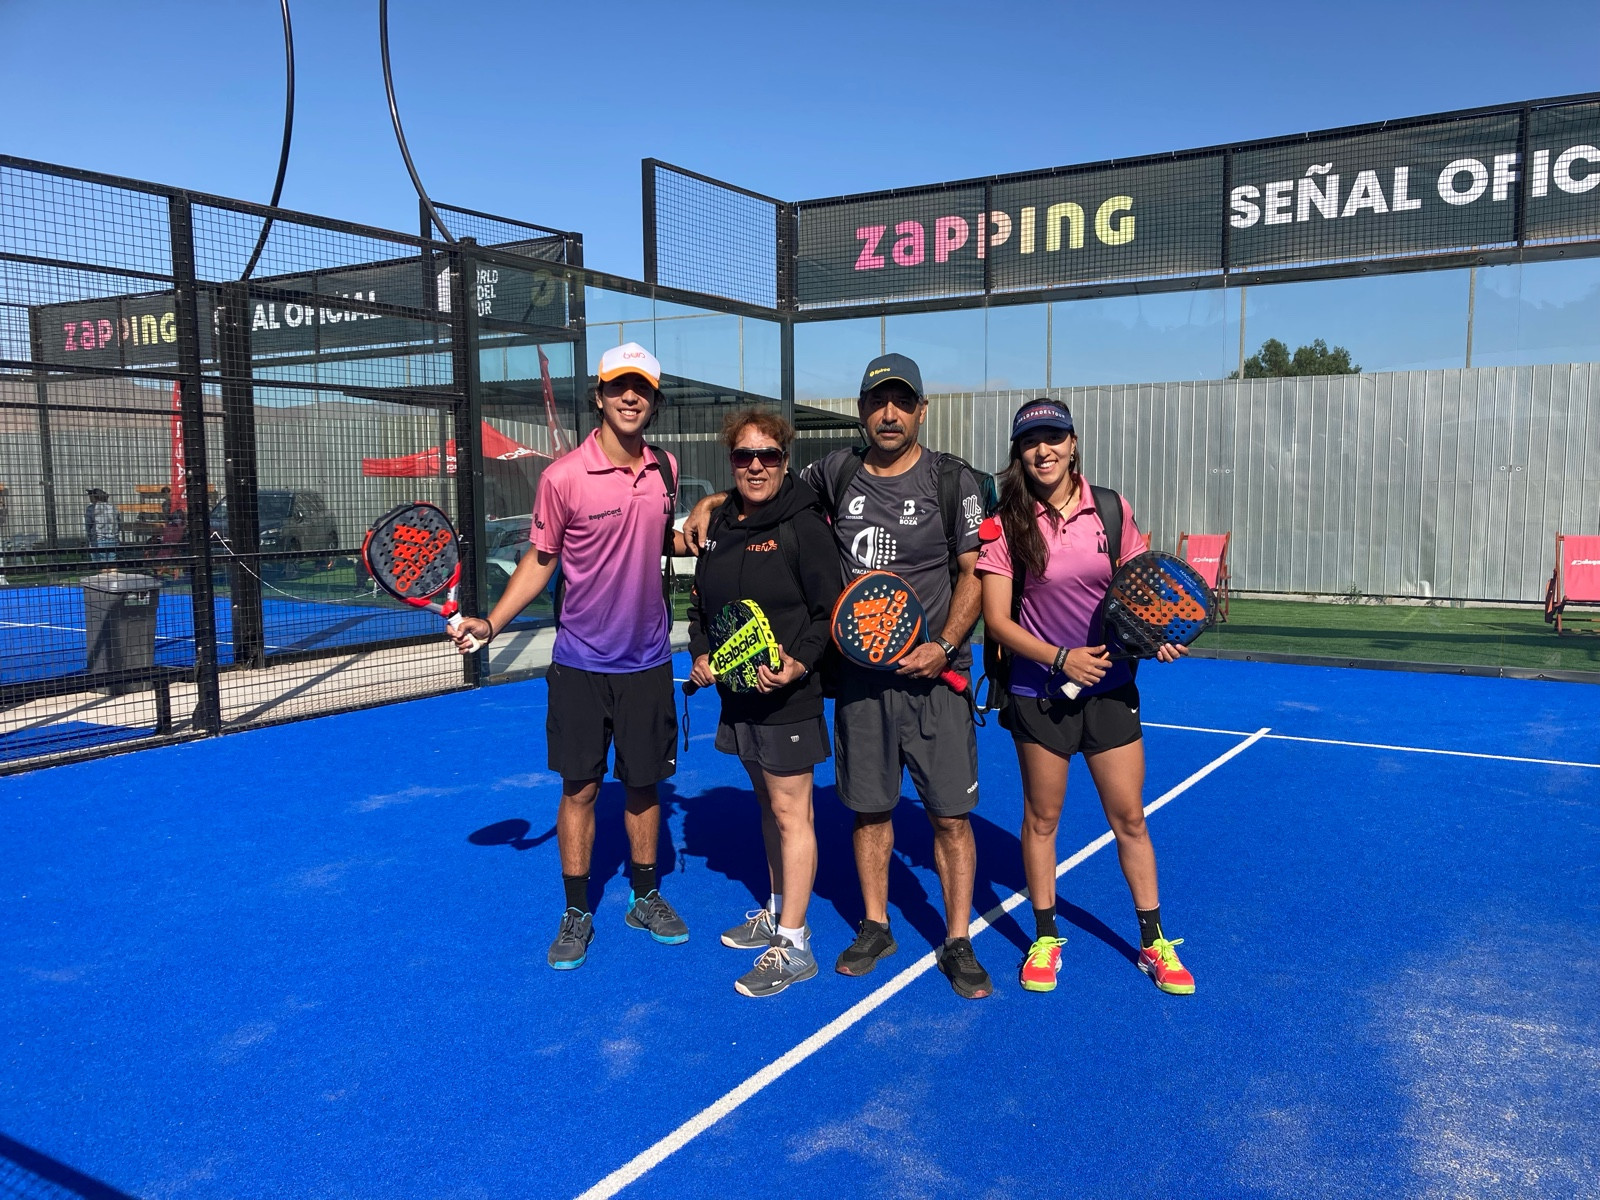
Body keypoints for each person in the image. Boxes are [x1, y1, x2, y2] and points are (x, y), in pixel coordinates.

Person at [685, 353, 993, 1000]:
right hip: (860, 681)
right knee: (869, 810)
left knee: (949, 818)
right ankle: (876, 925)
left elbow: (975, 573)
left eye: (901, 402)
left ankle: (959, 938)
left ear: (921, 410)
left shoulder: (952, 479)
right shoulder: (836, 472)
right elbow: (766, 487)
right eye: (878, 402)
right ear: (861, 410)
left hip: (936, 677)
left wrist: (943, 645)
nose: (889, 413)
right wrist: (711, 501)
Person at [449, 343, 691, 971]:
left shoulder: (666, 469)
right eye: (618, 387)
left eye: (642, 388)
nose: (630, 397)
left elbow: (659, 535)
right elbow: (541, 561)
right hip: (581, 665)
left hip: (648, 661)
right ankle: (578, 910)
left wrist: (699, 524)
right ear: (600, 396)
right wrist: (493, 623)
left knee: (644, 784)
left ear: (654, 400)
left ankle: (644, 896)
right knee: (580, 787)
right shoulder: (562, 477)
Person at [976, 398, 1195, 996]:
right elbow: (997, 620)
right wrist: (1059, 658)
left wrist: (1158, 634)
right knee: (1042, 819)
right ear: (1019, 453)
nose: (1043, 450)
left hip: (1111, 690)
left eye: (1054, 437)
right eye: (1030, 441)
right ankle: (1045, 938)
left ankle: (1154, 943)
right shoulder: (1006, 523)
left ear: (1073, 444)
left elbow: (1144, 590)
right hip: (1038, 692)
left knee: (1130, 818)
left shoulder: (1112, 509)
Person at [687, 409, 841, 998]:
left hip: (790, 697)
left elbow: (830, 612)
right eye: (744, 456)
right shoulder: (721, 523)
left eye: (768, 455)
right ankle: (777, 911)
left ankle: (795, 944)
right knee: (766, 805)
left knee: (790, 811)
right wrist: (703, 651)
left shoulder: (805, 525)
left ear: (785, 459)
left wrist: (799, 663)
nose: (756, 466)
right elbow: (701, 605)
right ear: (731, 461)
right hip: (738, 697)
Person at [85, 488, 119, 563]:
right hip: (114, 540)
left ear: (94, 497)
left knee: (100, 564)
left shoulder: (91, 508)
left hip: (99, 540)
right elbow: (118, 523)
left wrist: (89, 540)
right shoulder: (113, 508)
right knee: (112, 563)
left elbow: (88, 525)